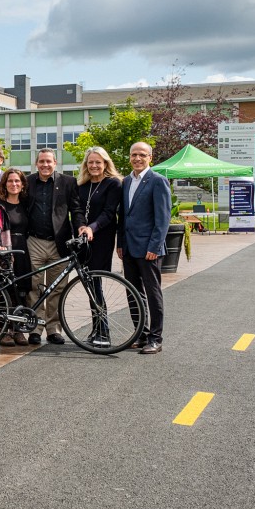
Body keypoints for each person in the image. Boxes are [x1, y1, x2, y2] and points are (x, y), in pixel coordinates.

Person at [25, 148, 86, 345]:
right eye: (41, 161)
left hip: (59, 242)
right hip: (34, 241)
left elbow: (76, 209)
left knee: (57, 288)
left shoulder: (68, 182)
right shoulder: (27, 182)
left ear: (55, 162)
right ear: (36, 164)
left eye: (48, 161)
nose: (45, 165)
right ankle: (35, 328)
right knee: (34, 286)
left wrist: (81, 227)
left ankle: (53, 330)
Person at [117, 141, 171, 355]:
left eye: (141, 155)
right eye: (133, 155)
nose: (137, 159)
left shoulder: (158, 181)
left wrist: (155, 246)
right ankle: (140, 334)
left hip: (149, 249)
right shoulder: (126, 182)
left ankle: (155, 338)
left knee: (152, 293)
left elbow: (163, 218)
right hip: (129, 248)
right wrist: (120, 242)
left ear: (150, 157)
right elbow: (123, 217)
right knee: (133, 293)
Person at [75, 147, 123, 348]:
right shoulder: (81, 185)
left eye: (98, 162)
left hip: (101, 239)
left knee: (96, 284)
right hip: (82, 239)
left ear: (105, 163)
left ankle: (104, 331)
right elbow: (76, 209)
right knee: (89, 286)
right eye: (90, 162)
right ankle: (96, 329)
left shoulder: (113, 184)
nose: (94, 166)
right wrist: (81, 227)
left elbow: (109, 212)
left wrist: (92, 227)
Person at [0, 168, 31, 346]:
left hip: (23, 250)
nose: (14, 184)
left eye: (17, 181)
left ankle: (18, 330)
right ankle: (5, 331)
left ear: (22, 184)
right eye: (10, 181)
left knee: (20, 292)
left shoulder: (25, 203)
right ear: (4, 184)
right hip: (6, 250)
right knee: (5, 293)